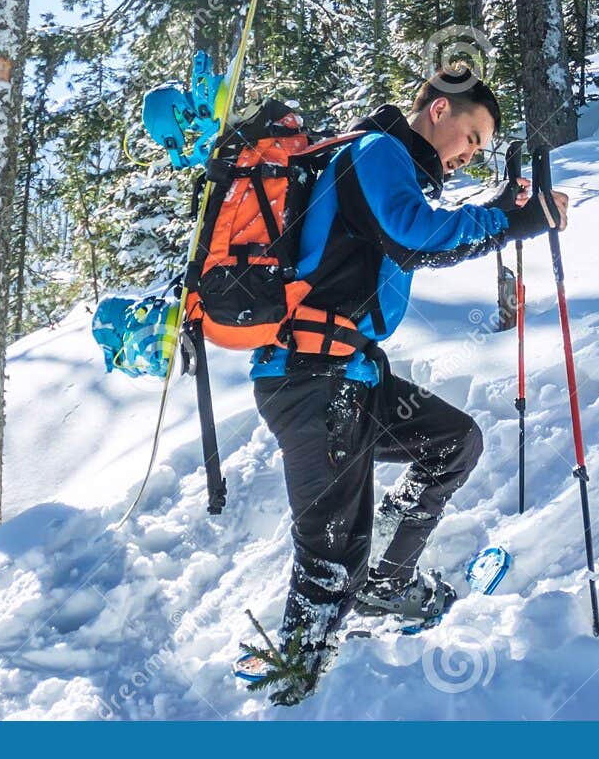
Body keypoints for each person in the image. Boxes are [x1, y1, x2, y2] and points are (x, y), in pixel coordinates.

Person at [243, 70, 569, 705]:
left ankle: (387, 581)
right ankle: (292, 695)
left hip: (355, 373)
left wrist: (502, 212)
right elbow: (414, 235)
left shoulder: (394, 167)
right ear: (438, 108)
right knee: (331, 554)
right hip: (312, 378)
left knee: (453, 443)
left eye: (480, 146)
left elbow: (419, 228)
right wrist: (511, 224)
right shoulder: (374, 151)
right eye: (471, 135)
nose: (470, 152)